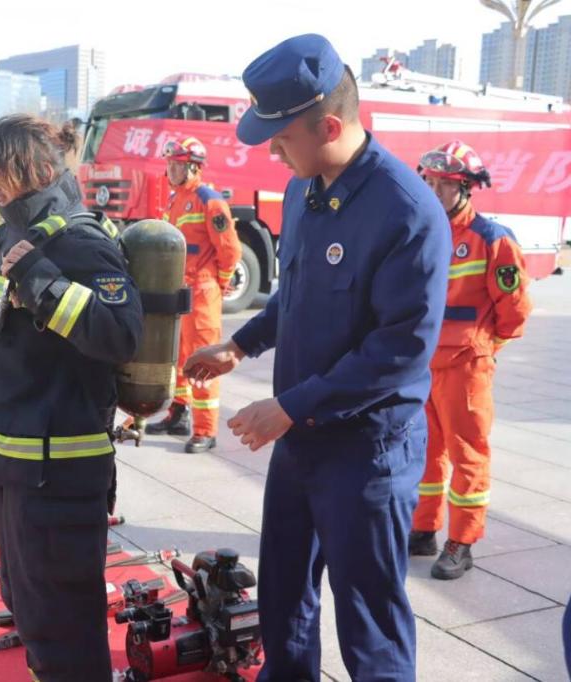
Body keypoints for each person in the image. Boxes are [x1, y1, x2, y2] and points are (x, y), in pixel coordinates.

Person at [184, 35, 450, 681]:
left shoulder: (406, 212)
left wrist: (289, 406)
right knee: (284, 601)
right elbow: (296, 294)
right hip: (300, 440)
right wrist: (241, 344)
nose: (272, 152)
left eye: (280, 139)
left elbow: (400, 350)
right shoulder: (305, 192)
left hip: (367, 450)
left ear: (329, 126)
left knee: (369, 622)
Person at [0, 115, 143, 681]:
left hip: (57, 473)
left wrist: (38, 278)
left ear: (33, 171)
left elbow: (121, 334)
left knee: (62, 621)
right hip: (20, 467)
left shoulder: (79, 242)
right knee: (31, 606)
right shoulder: (26, 236)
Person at [409, 141, 533, 580]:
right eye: (429, 182)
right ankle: (424, 529)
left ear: (466, 187)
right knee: (426, 453)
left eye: (445, 184)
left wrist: (483, 347)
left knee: (467, 454)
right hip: (424, 365)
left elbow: (514, 311)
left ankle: (461, 542)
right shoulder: (422, 232)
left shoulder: (492, 239)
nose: (434, 191)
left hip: (466, 367)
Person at [145, 137, 242, 452]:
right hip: (180, 291)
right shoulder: (177, 199)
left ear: (193, 167)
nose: (170, 169)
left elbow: (230, 250)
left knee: (204, 361)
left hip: (202, 292)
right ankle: (178, 414)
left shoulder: (208, 200)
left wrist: (219, 283)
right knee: (178, 357)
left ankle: (205, 431)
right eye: (169, 163)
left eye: (176, 164)